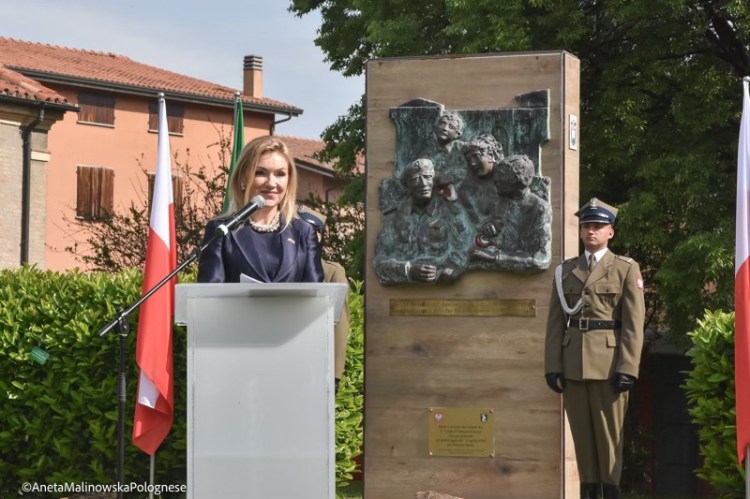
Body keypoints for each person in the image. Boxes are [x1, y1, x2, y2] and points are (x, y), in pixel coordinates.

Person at [544, 198, 645, 499]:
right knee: (583, 441)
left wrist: (628, 368)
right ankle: (588, 492)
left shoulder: (625, 269)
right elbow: (555, 323)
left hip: (609, 366)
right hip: (573, 365)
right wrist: (553, 366)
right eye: (587, 225)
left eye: (598, 226)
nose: (591, 231)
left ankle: (610, 493)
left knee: (609, 441)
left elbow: (633, 324)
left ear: (610, 232)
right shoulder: (565, 270)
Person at [197, 135, 324, 283]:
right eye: (260, 173)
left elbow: (316, 293)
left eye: (280, 174)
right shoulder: (221, 231)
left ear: (289, 181)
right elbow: (210, 293)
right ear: (243, 178)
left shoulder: (304, 232)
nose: (271, 183)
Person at [373, 158, 469, 285]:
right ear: (407, 185)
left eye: (427, 177)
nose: (423, 183)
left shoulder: (450, 211)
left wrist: (453, 268)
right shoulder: (393, 218)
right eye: (415, 179)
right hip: (406, 292)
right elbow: (379, 261)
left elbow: (465, 247)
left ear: (434, 181)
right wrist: (408, 271)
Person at [298, 205, 351, 393]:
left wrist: (335, 374)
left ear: (318, 237)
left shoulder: (331, 272)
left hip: (313, 360)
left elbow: (339, 324)